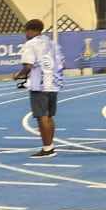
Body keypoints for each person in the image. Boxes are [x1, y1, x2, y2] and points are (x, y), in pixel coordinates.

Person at [13, 19, 65, 158]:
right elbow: (61, 63)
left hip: (39, 85)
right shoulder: (52, 43)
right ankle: (50, 146)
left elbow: (28, 66)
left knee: (42, 117)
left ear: (29, 30)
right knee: (49, 116)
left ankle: (47, 149)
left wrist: (18, 76)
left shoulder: (30, 44)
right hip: (53, 84)